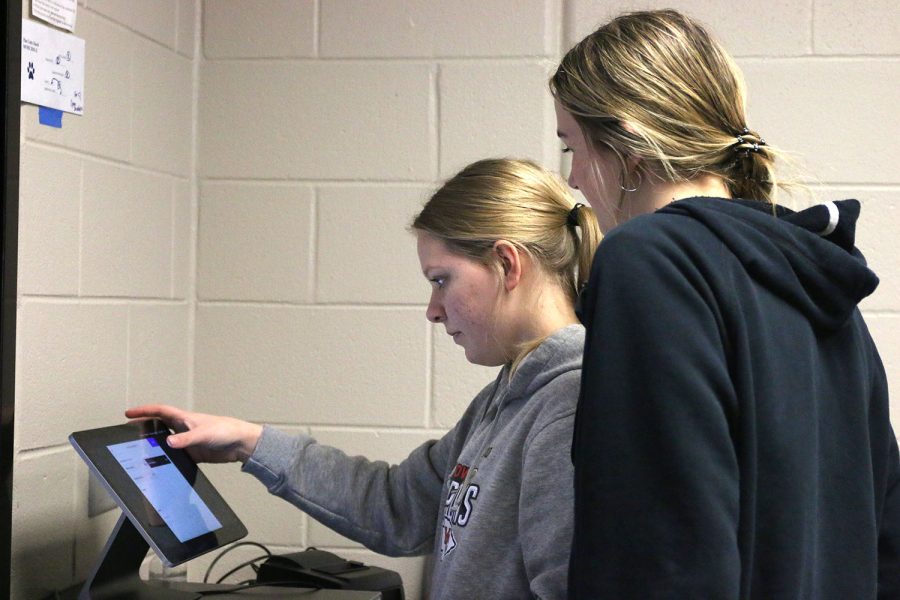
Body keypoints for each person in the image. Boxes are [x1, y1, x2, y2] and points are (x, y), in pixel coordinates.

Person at [127, 158, 601, 599]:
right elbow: (400, 505)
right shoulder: (506, 396)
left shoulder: (569, 404)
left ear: (506, 263)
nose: (433, 311)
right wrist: (249, 443)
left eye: (441, 280)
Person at [550, 9, 900, 599]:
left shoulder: (648, 259)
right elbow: (885, 540)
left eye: (573, 148)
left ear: (629, 143)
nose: (576, 180)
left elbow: (656, 547)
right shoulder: (818, 272)